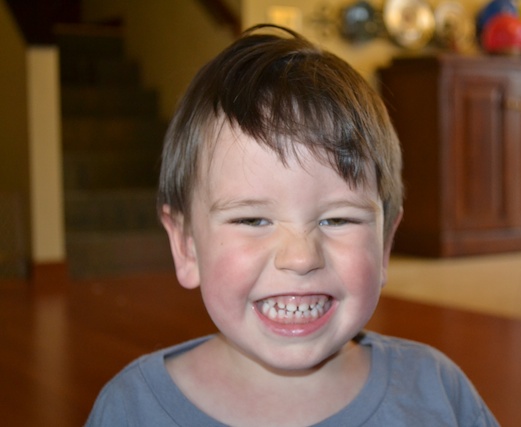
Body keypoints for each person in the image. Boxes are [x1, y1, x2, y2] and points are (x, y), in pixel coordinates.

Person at [86, 24, 499, 427]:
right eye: (252, 219)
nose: (301, 257)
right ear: (186, 245)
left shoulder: (438, 393)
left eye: (338, 219)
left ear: (385, 241)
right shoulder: (130, 409)